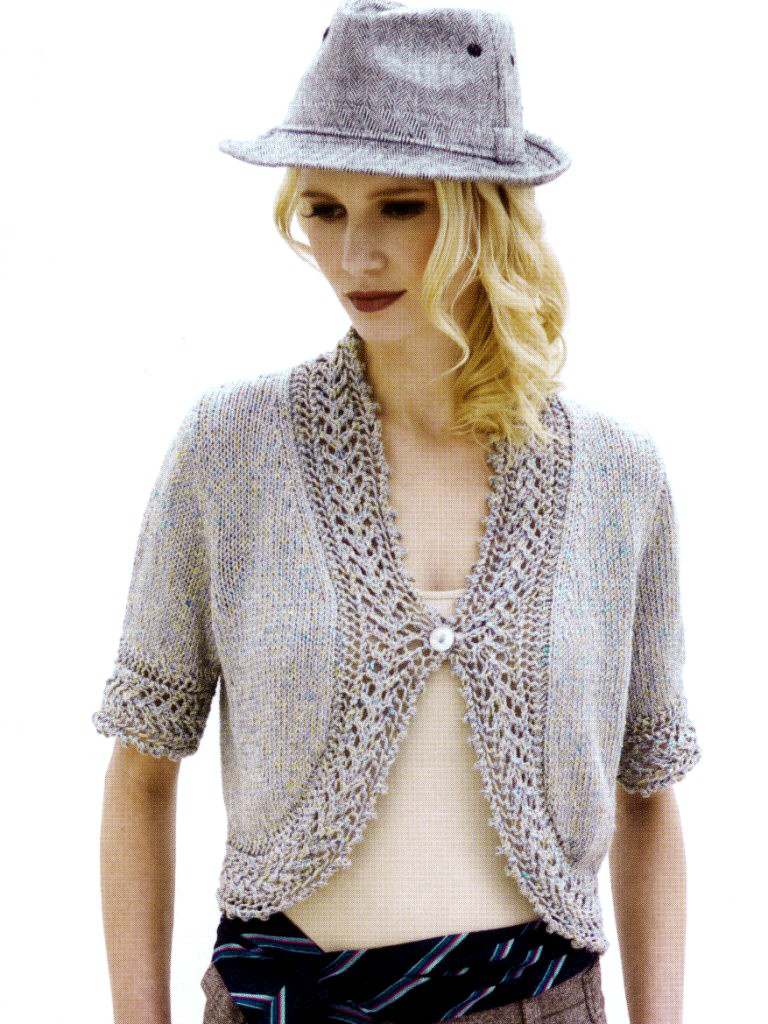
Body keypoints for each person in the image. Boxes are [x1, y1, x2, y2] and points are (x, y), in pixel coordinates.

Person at [92, 3, 702, 1023]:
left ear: (483, 213)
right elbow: (141, 772)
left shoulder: (618, 478)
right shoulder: (230, 450)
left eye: (401, 207)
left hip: (538, 1003)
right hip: (281, 1001)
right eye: (325, 210)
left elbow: (649, 797)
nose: (355, 256)